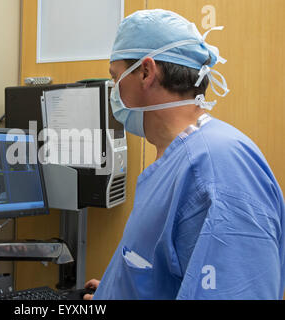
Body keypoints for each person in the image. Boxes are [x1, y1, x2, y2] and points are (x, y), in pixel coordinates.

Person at [84, 9, 285, 300]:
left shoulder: (218, 168)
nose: (114, 91)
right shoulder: (178, 159)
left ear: (145, 72)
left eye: (116, 78)